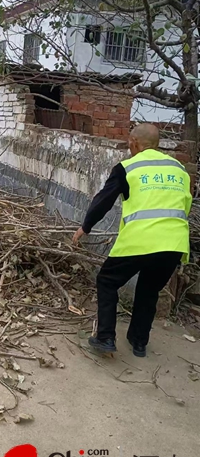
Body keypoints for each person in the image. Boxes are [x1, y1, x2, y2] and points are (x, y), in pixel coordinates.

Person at [73, 123, 191, 357]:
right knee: (149, 290)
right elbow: (184, 206)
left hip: (140, 240)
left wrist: (85, 227)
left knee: (107, 281)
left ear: (135, 143)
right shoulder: (179, 169)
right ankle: (139, 343)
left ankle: (105, 337)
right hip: (174, 243)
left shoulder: (128, 167)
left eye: (129, 143)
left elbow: (103, 201)